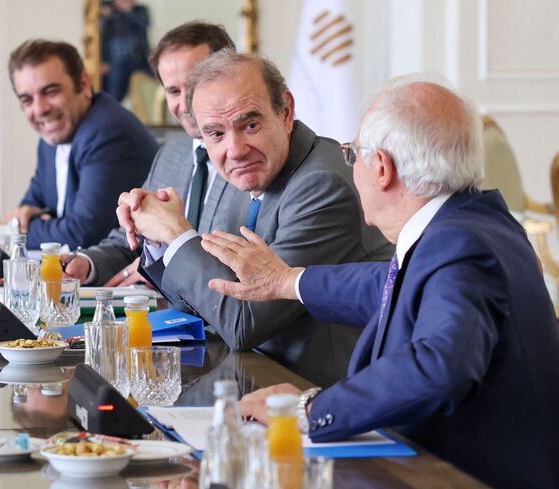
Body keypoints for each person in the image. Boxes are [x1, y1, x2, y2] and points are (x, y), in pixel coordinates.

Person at [205, 77, 559, 488]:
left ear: (382, 168)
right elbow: (393, 284)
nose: (350, 165)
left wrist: (307, 408)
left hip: (459, 476)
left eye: (352, 153)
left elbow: (439, 367)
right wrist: (288, 281)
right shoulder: (473, 224)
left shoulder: (460, 244)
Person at [117, 50, 392, 386]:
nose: (235, 149)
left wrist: (177, 234)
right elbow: (203, 305)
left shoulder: (322, 185)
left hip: (322, 394)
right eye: (215, 134)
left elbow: (243, 322)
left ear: (286, 111)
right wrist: (159, 238)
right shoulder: (248, 174)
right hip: (257, 380)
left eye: (250, 124)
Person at [65, 22, 238, 287]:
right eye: (173, 91)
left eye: (195, 87)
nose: (184, 104)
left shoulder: (249, 159)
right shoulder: (171, 154)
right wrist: (86, 264)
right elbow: (130, 242)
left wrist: (160, 266)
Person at [6, 40, 157, 249]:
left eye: (51, 92)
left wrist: (17, 230)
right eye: (27, 100)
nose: (40, 109)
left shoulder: (107, 131)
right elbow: (30, 204)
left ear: (84, 84)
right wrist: (28, 219)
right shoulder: (52, 137)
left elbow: (82, 235)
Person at [101, 0, 152, 101]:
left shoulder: (140, 10)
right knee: (114, 96)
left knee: (148, 91)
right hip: (117, 61)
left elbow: (143, 23)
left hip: (140, 59)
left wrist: (126, 10)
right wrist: (104, 60)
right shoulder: (107, 11)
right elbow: (102, 37)